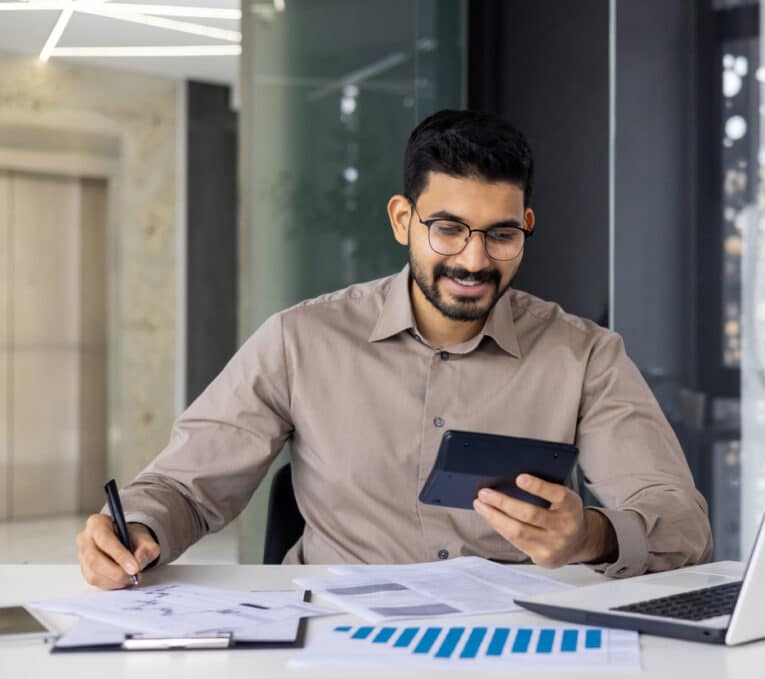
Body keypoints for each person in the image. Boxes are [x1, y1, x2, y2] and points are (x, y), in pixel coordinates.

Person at [76, 110, 712, 589]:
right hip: (333, 636)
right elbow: (186, 486)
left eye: (501, 235)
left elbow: (680, 524)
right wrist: (138, 528)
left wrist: (590, 536)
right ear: (403, 220)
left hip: (512, 643)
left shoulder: (585, 355)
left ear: (527, 228)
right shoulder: (302, 339)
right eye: (448, 230)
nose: (474, 259)